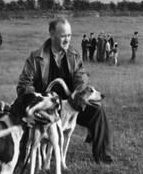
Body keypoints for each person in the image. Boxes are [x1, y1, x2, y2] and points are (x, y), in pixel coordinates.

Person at [17, 18, 113, 164]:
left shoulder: (73, 54)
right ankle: (25, 155)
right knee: (26, 133)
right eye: (63, 36)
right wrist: (36, 102)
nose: (67, 39)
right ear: (52, 34)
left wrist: (79, 90)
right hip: (47, 108)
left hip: (70, 105)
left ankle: (102, 155)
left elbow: (81, 75)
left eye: (69, 35)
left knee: (97, 110)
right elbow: (24, 84)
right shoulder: (36, 57)